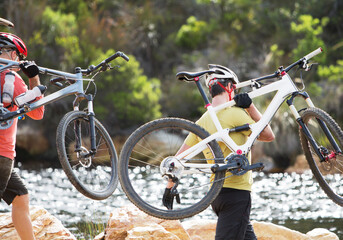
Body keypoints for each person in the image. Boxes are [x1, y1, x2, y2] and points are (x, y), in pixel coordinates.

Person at [163, 65, 275, 240]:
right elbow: (268, 135)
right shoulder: (236, 114)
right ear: (230, 87)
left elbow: (178, 158)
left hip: (216, 195)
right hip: (236, 193)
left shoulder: (202, 120)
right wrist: (251, 107)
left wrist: (169, 187)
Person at [0, 32, 44, 240]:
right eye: (16, 55)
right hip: (2, 154)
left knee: (20, 196)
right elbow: (37, 112)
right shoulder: (12, 80)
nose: (18, 61)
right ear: (7, 54)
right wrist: (33, 77)